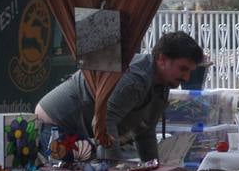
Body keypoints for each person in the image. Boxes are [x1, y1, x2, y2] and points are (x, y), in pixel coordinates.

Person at [35, 31, 204, 162]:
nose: (187, 78)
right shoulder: (134, 79)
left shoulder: (162, 83)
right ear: (161, 59)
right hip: (56, 125)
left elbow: (145, 132)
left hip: (82, 130)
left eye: (190, 71)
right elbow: (105, 120)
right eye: (183, 69)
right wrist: (115, 170)